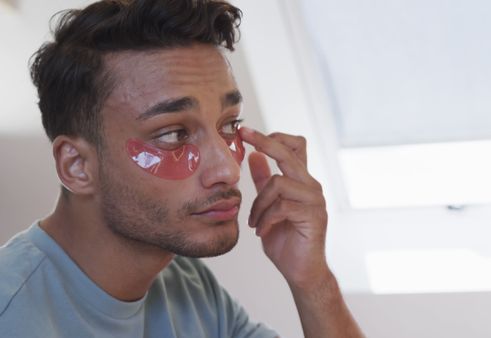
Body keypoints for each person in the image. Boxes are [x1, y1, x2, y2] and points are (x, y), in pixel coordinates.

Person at [0, 1, 365, 337]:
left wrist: (313, 281)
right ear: (77, 166)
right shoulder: (11, 313)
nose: (227, 169)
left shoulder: (189, 288)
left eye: (228, 126)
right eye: (174, 134)